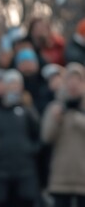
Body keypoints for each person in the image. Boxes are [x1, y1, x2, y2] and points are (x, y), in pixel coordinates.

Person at [0, 69, 40, 207]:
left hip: (24, 171)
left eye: (16, 84)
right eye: (10, 84)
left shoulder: (27, 109)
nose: (13, 88)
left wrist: (30, 150)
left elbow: (38, 134)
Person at [41, 63, 85, 207]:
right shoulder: (55, 107)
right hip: (60, 178)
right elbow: (46, 138)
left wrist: (76, 117)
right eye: (70, 80)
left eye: (77, 80)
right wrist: (56, 121)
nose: (73, 85)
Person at [14, 48, 49, 114]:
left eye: (30, 61)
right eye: (24, 62)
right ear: (18, 65)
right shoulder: (16, 84)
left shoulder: (45, 80)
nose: (27, 65)